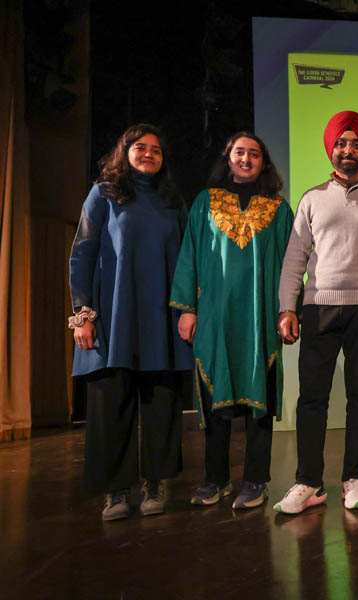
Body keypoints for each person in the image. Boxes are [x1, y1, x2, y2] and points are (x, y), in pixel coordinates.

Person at [274, 111, 358, 515]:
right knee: (312, 398)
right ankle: (308, 482)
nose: (348, 150)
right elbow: (295, 257)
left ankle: (354, 480)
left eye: (356, 144)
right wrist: (287, 307)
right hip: (318, 308)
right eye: (341, 143)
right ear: (331, 149)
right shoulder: (312, 198)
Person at [69, 123, 193, 520]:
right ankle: (116, 490)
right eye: (140, 147)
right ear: (124, 152)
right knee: (111, 406)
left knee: (161, 404)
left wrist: (189, 308)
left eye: (156, 150)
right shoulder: (103, 194)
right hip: (113, 317)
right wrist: (82, 315)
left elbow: (189, 259)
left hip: (162, 318)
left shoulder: (172, 200)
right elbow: (82, 254)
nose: (148, 154)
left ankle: (155, 483)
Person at [170, 131, 293, 510]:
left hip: (260, 317)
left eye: (254, 154)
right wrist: (187, 308)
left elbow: (291, 264)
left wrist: (288, 309)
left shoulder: (279, 209)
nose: (246, 159)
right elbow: (189, 254)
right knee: (215, 399)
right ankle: (215, 479)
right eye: (239, 152)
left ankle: (255, 480)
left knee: (260, 400)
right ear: (228, 158)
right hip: (214, 317)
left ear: (264, 163)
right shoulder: (205, 202)